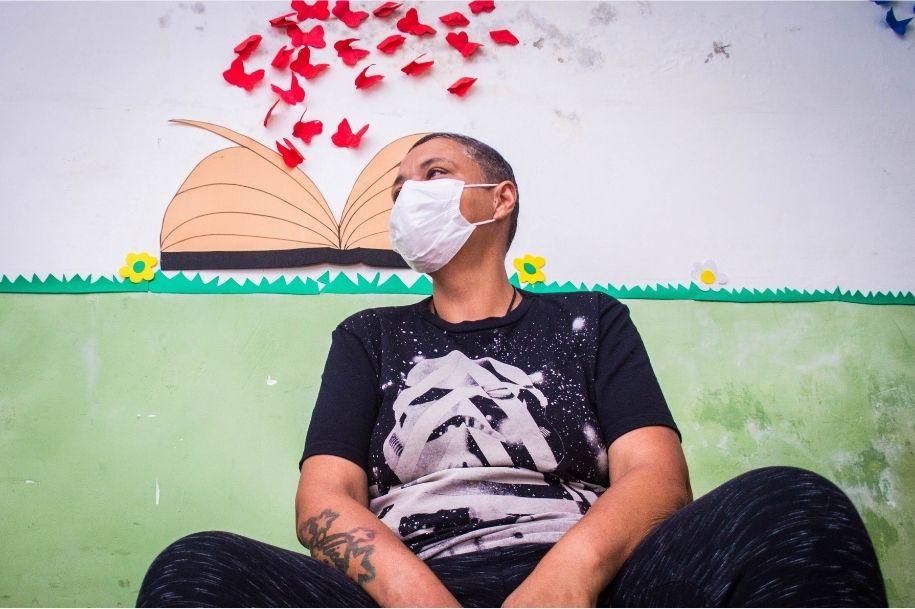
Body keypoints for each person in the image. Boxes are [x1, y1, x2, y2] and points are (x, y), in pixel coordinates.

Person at [137, 133, 887, 608]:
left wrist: (567, 578)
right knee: (198, 568)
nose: (408, 196)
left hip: (593, 581)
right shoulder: (368, 336)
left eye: (432, 172)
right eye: (399, 189)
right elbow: (323, 499)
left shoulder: (592, 319)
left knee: (793, 504)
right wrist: (416, 597)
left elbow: (657, 478)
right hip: (402, 584)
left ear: (499, 198)